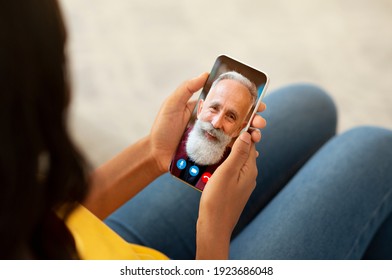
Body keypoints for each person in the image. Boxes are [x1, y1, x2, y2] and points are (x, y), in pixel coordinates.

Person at [1, 0, 392, 260]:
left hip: (94, 242)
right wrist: (213, 230)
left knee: (311, 104)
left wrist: (154, 155)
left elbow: (48, 227)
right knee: (373, 149)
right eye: (62, 59)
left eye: (230, 115)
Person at [170, 71, 258, 190]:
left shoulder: (233, 172)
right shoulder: (173, 138)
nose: (216, 123)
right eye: (214, 108)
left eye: (231, 116)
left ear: (239, 129)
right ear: (200, 109)